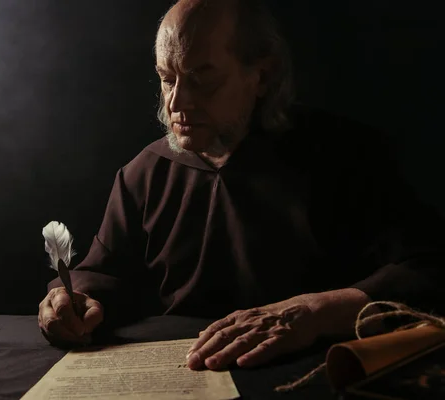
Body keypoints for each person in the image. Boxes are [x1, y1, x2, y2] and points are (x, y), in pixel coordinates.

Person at [39, 0, 445, 371]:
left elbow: (428, 269)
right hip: (184, 372)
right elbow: (102, 274)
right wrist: (70, 300)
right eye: (167, 78)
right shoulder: (143, 173)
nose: (178, 102)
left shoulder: (345, 156)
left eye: (201, 79)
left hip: (314, 372)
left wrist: (319, 310)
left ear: (262, 76)